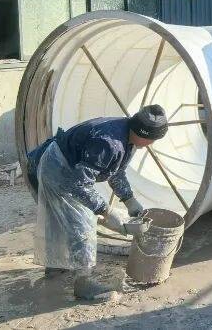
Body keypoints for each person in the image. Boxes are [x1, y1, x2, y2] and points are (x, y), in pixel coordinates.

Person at [25, 105, 169, 302]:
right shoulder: (108, 142)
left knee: (63, 219)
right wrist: (106, 211)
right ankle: (83, 284)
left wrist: (129, 199)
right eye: (152, 139)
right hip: (58, 169)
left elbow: (116, 171)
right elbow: (79, 184)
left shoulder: (128, 136)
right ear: (144, 134)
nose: (151, 144)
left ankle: (56, 266)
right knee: (82, 223)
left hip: (64, 164)